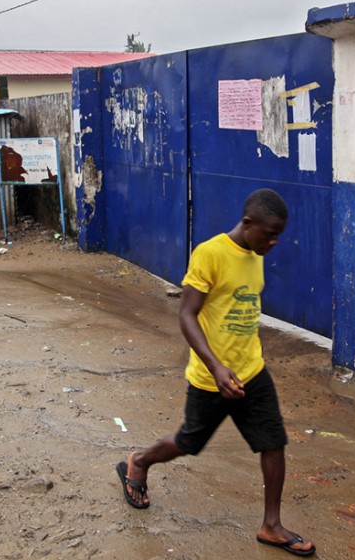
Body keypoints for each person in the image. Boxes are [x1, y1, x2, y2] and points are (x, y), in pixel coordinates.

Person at [116, 188, 315, 557]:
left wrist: (239, 363)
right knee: (187, 443)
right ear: (247, 223)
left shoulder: (255, 253)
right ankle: (139, 462)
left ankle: (271, 525)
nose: (274, 242)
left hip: (251, 371)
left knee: (273, 443)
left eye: (279, 235)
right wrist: (217, 367)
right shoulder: (209, 253)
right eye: (270, 233)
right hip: (211, 378)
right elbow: (187, 315)